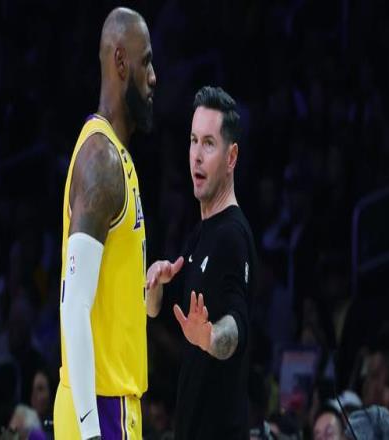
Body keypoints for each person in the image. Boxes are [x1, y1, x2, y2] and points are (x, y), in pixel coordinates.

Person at [53, 6, 156, 440]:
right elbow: (73, 304)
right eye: (146, 62)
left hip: (109, 404)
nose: (153, 78)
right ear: (120, 61)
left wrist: (146, 295)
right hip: (102, 409)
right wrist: (92, 432)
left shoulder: (115, 155)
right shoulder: (101, 161)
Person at [146, 86, 257, 439]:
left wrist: (210, 338)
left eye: (209, 143)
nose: (196, 155)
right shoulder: (200, 233)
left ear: (231, 156)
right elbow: (154, 312)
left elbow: (237, 325)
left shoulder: (232, 236)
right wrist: (155, 285)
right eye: (193, 140)